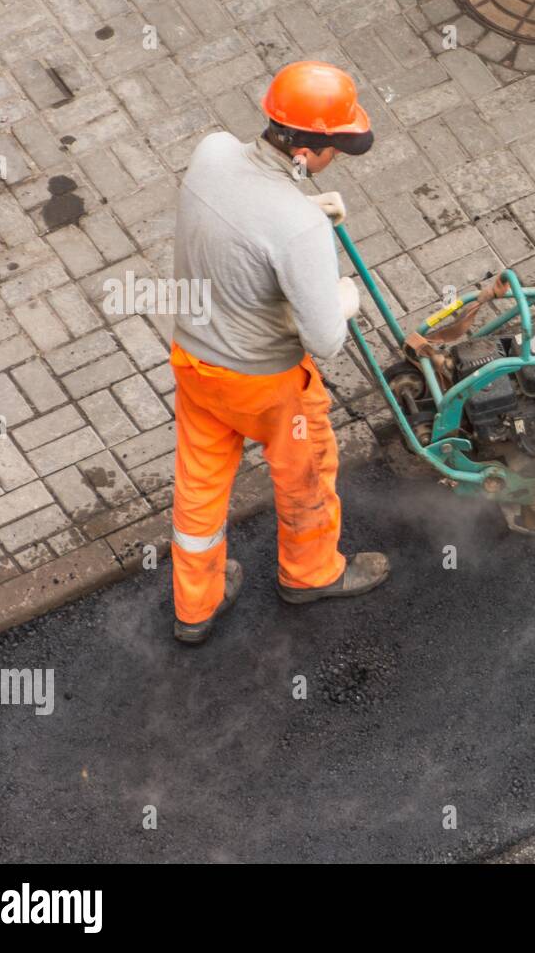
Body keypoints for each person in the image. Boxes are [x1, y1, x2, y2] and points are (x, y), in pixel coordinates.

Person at [168, 60, 389, 645]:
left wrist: (300, 215)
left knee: (199, 483)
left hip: (193, 361)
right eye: (336, 146)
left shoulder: (212, 152)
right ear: (309, 151)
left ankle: (196, 606)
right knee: (305, 470)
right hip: (264, 385)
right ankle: (310, 574)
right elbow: (325, 342)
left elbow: (237, 223)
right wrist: (340, 296)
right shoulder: (296, 229)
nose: (336, 156)